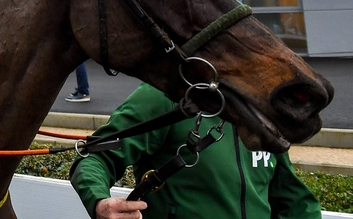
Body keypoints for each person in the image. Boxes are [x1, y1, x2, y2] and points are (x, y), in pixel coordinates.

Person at [69, 83, 321, 219]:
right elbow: (95, 157)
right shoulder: (163, 96)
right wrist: (99, 202)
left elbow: (294, 200)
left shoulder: (264, 111)